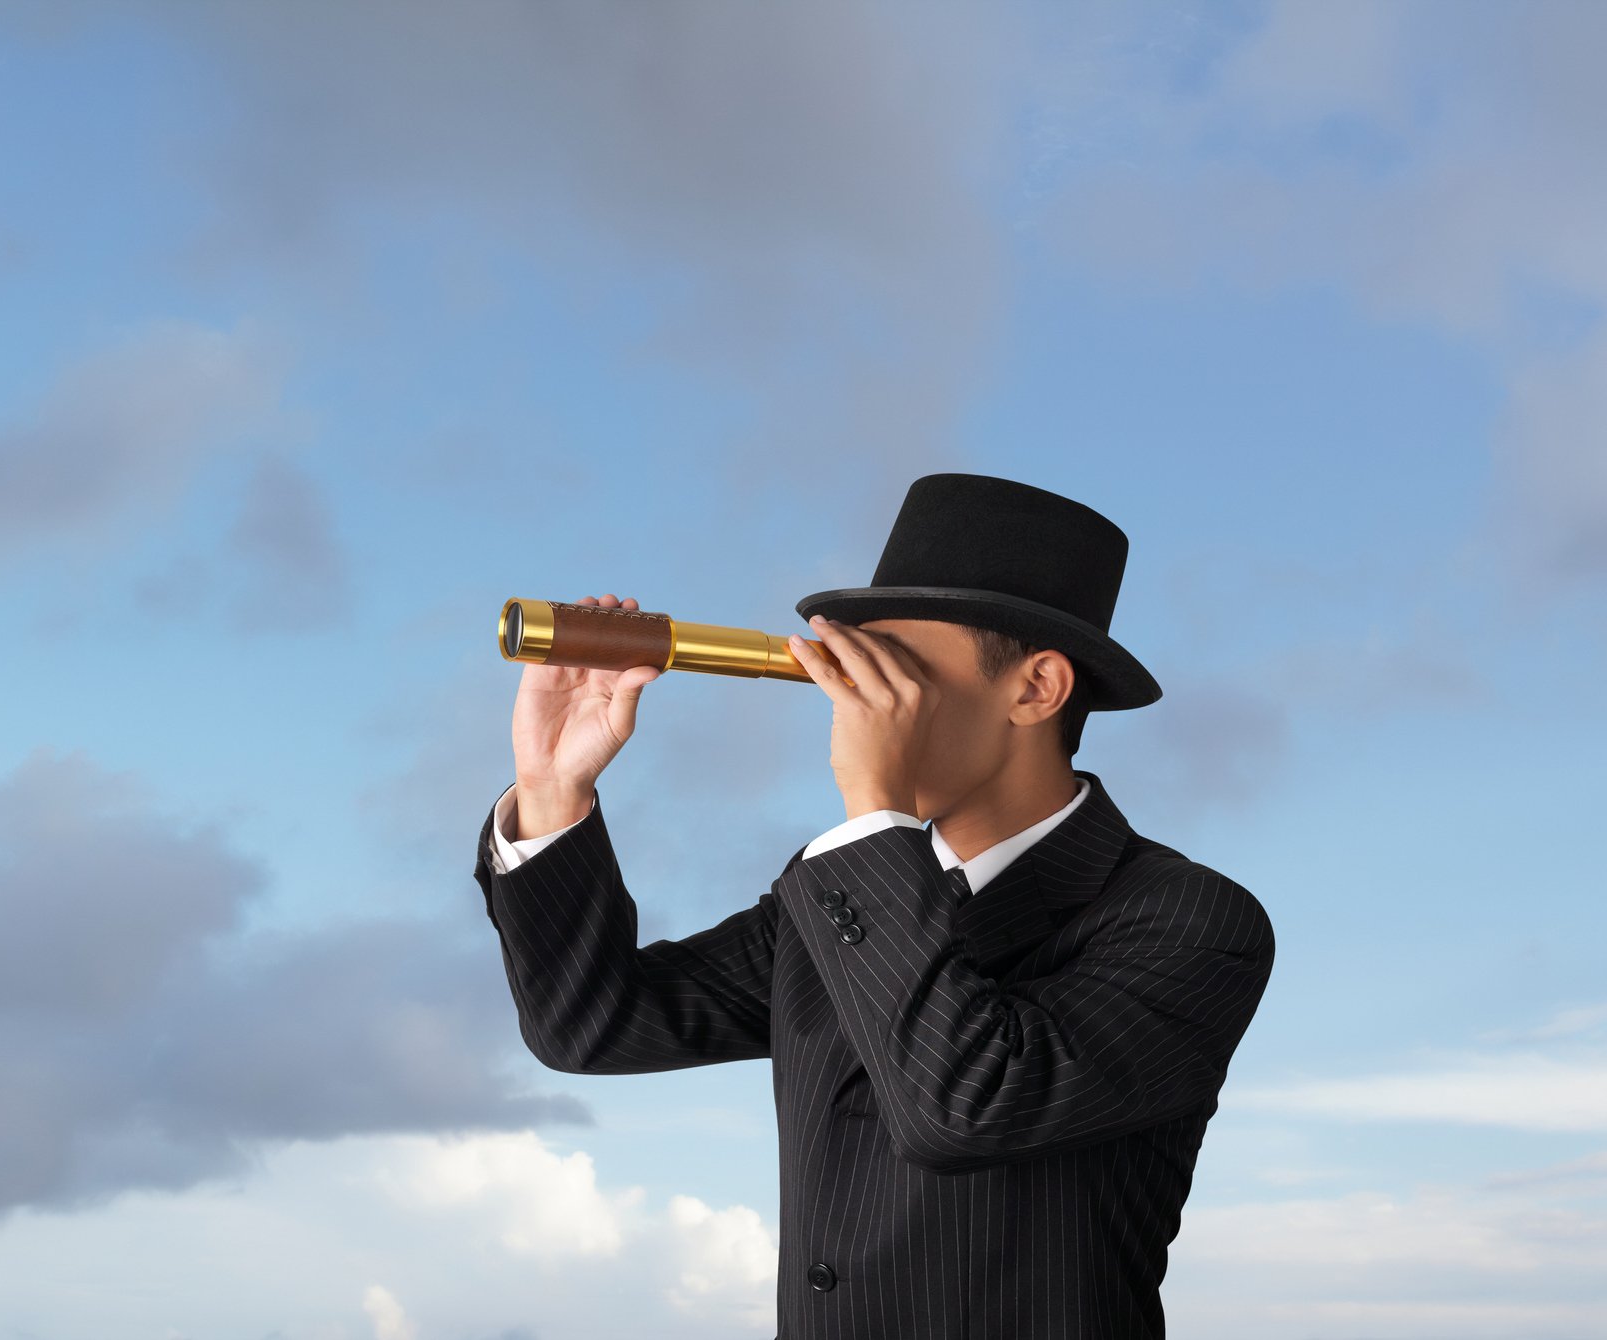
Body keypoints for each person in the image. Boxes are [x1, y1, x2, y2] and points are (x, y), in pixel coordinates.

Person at [471, 472, 1275, 1339]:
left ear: (1037, 689)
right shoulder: (828, 898)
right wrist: (552, 788)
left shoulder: (1192, 921)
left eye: (902, 673)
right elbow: (591, 1026)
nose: (859, 704)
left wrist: (873, 806)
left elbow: (964, 1108)